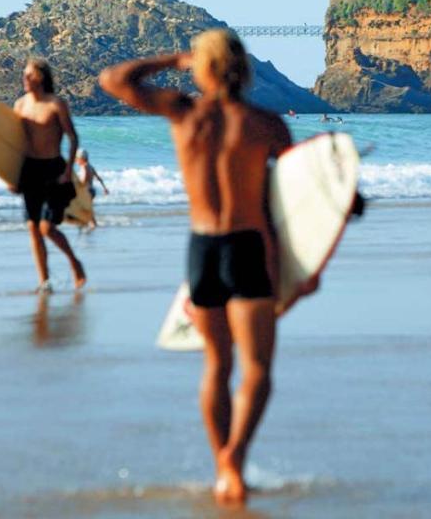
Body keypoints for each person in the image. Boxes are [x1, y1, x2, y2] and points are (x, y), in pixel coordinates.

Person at [99, 28, 301, 506]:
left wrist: (173, 58)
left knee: (217, 364)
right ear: (243, 67)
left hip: (202, 250)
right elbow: (298, 194)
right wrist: (302, 266)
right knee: (257, 369)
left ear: (204, 65)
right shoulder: (266, 123)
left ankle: (221, 468)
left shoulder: (183, 113)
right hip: (249, 248)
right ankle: (236, 457)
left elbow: (113, 79)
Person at [12, 58, 86, 292]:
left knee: (47, 227)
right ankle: (44, 282)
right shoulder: (20, 105)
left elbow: (73, 137)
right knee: (33, 228)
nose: (24, 79)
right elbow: (14, 144)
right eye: (24, 75)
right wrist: (10, 177)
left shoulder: (56, 104)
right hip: (29, 170)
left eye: (29, 75)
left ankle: (74, 262)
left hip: (53, 169)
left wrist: (68, 170)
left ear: (41, 77)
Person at [74, 148, 109, 230]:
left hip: (87, 191)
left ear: (81, 158)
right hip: (92, 190)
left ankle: (90, 224)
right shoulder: (90, 166)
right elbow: (98, 177)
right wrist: (104, 188)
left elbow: (84, 180)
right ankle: (91, 223)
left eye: (77, 158)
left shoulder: (84, 167)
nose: (76, 161)